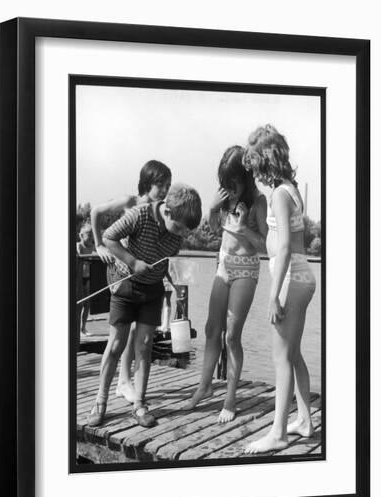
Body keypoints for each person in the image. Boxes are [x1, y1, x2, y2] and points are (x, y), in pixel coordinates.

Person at [87, 183, 202, 428]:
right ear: (167, 212)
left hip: (152, 291)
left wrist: (173, 273)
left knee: (145, 346)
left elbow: (165, 262)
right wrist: (132, 260)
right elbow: (109, 237)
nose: (181, 234)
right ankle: (100, 401)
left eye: (185, 231)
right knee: (116, 344)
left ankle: (139, 403)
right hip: (125, 286)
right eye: (179, 228)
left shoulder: (175, 232)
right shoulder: (139, 215)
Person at [243, 124, 316, 453]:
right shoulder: (290, 188)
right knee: (293, 353)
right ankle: (304, 420)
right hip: (301, 278)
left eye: (255, 163)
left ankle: (278, 432)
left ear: (264, 161)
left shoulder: (279, 195)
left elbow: (285, 247)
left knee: (280, 358)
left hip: (290, 279)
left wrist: (273, 295)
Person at [185, 146, 267, 423]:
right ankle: (205, 386)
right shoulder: (224, 200)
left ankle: (230, 398)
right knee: (211, 329)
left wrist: (244, 227)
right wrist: (210, 208)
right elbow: (211, 229)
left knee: (231, 335)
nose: (228, 187)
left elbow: (266, 244)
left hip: (246, 270)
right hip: (223, 266)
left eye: (233, 181)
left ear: (245, 177)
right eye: (224, 181)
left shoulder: (258, 201)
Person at [90, 160, 172, 402]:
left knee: (139, 330)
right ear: (147, 183)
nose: (165, 191)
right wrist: (98, 245)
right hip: (121, 273)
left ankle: (124, 381)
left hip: (144, 278)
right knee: (123, 332)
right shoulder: (130, 203)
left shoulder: (160, 213)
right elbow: (95, 212)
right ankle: (121, 382)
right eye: (161, 185)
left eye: (168, 185)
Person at [76, 222, 95, 336]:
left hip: (88, 278)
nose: (91, 237)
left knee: (87, 304)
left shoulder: (93, 247)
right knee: (79, 304)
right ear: (81, 235)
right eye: (88, 234)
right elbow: (80, 257)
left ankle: (83, 328)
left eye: (92, 234)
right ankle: (77, 328)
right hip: (79, 278)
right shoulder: (78, 245)